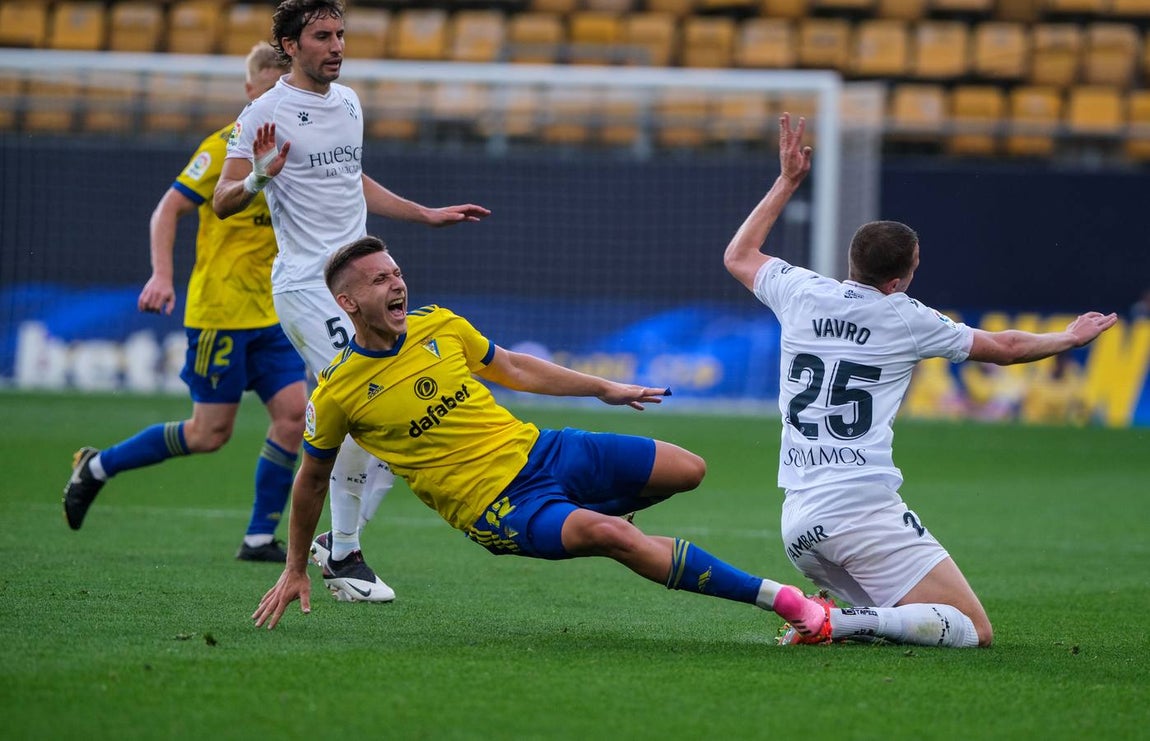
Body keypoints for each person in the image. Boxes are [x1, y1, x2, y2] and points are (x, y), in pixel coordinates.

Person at [251, 236, 831, 634]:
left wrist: (604, 388)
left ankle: (590, 515)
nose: (396, 284)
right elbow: (311, 480)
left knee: (688, 469)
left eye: (397, 272)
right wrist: (296, 564)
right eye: (380, 280)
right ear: (349, 302)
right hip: (495, 505)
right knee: (612, 535)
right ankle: (786, 603)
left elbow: (516, 368)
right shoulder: (337, 391)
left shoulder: (439, 325)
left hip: (542, 450)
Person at [723, 113, 1119, 648]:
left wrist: (788, 181)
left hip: (799, 521)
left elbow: (739, 255)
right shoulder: (907, 318)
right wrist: (1068, 340)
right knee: (972, 630)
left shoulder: (799, 291)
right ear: (899, 279)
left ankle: (833, 618)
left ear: (851, 260)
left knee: (903, 623)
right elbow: (1002, 348)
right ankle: (827, 621)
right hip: (860, 508)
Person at [212, 0, 490, 602]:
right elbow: (223, 200)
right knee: (368, 404)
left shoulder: (350, 101)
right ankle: (344, 554)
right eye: (321, 36)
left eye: (341, 34)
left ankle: (338, 544)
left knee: (395, 415)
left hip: (359, 280)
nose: (336, 46)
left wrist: (424, 213)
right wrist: (261, 175)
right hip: (310, 288)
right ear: (290, 44)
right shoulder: (265, 112)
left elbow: (350, 178)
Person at [62, 43, 306, 562]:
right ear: (248, 91)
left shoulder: (299, 147)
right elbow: (168, 209)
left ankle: (259, 537)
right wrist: (162, 275)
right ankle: (97, 466)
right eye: (265, 91)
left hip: (273, 313)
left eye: (281, 93)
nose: (272, 105)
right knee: (208, 434)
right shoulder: (224, 146)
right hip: (221, 314)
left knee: (294, 416)